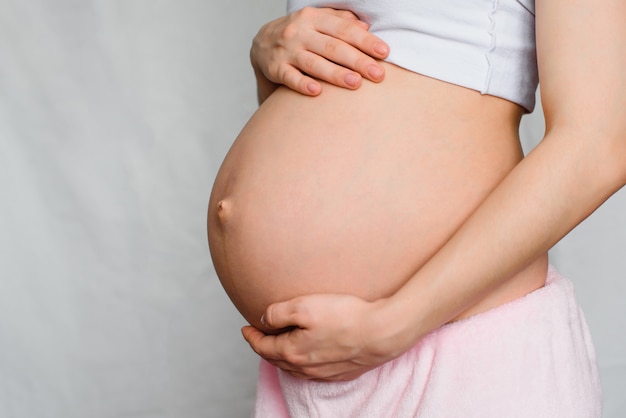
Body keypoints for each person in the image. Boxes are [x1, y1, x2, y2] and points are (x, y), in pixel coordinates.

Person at [208, 1, 625, 416]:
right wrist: (270, 57)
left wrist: (392, 325)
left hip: (461, 353)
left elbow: (600, 142)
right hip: (316, 365)